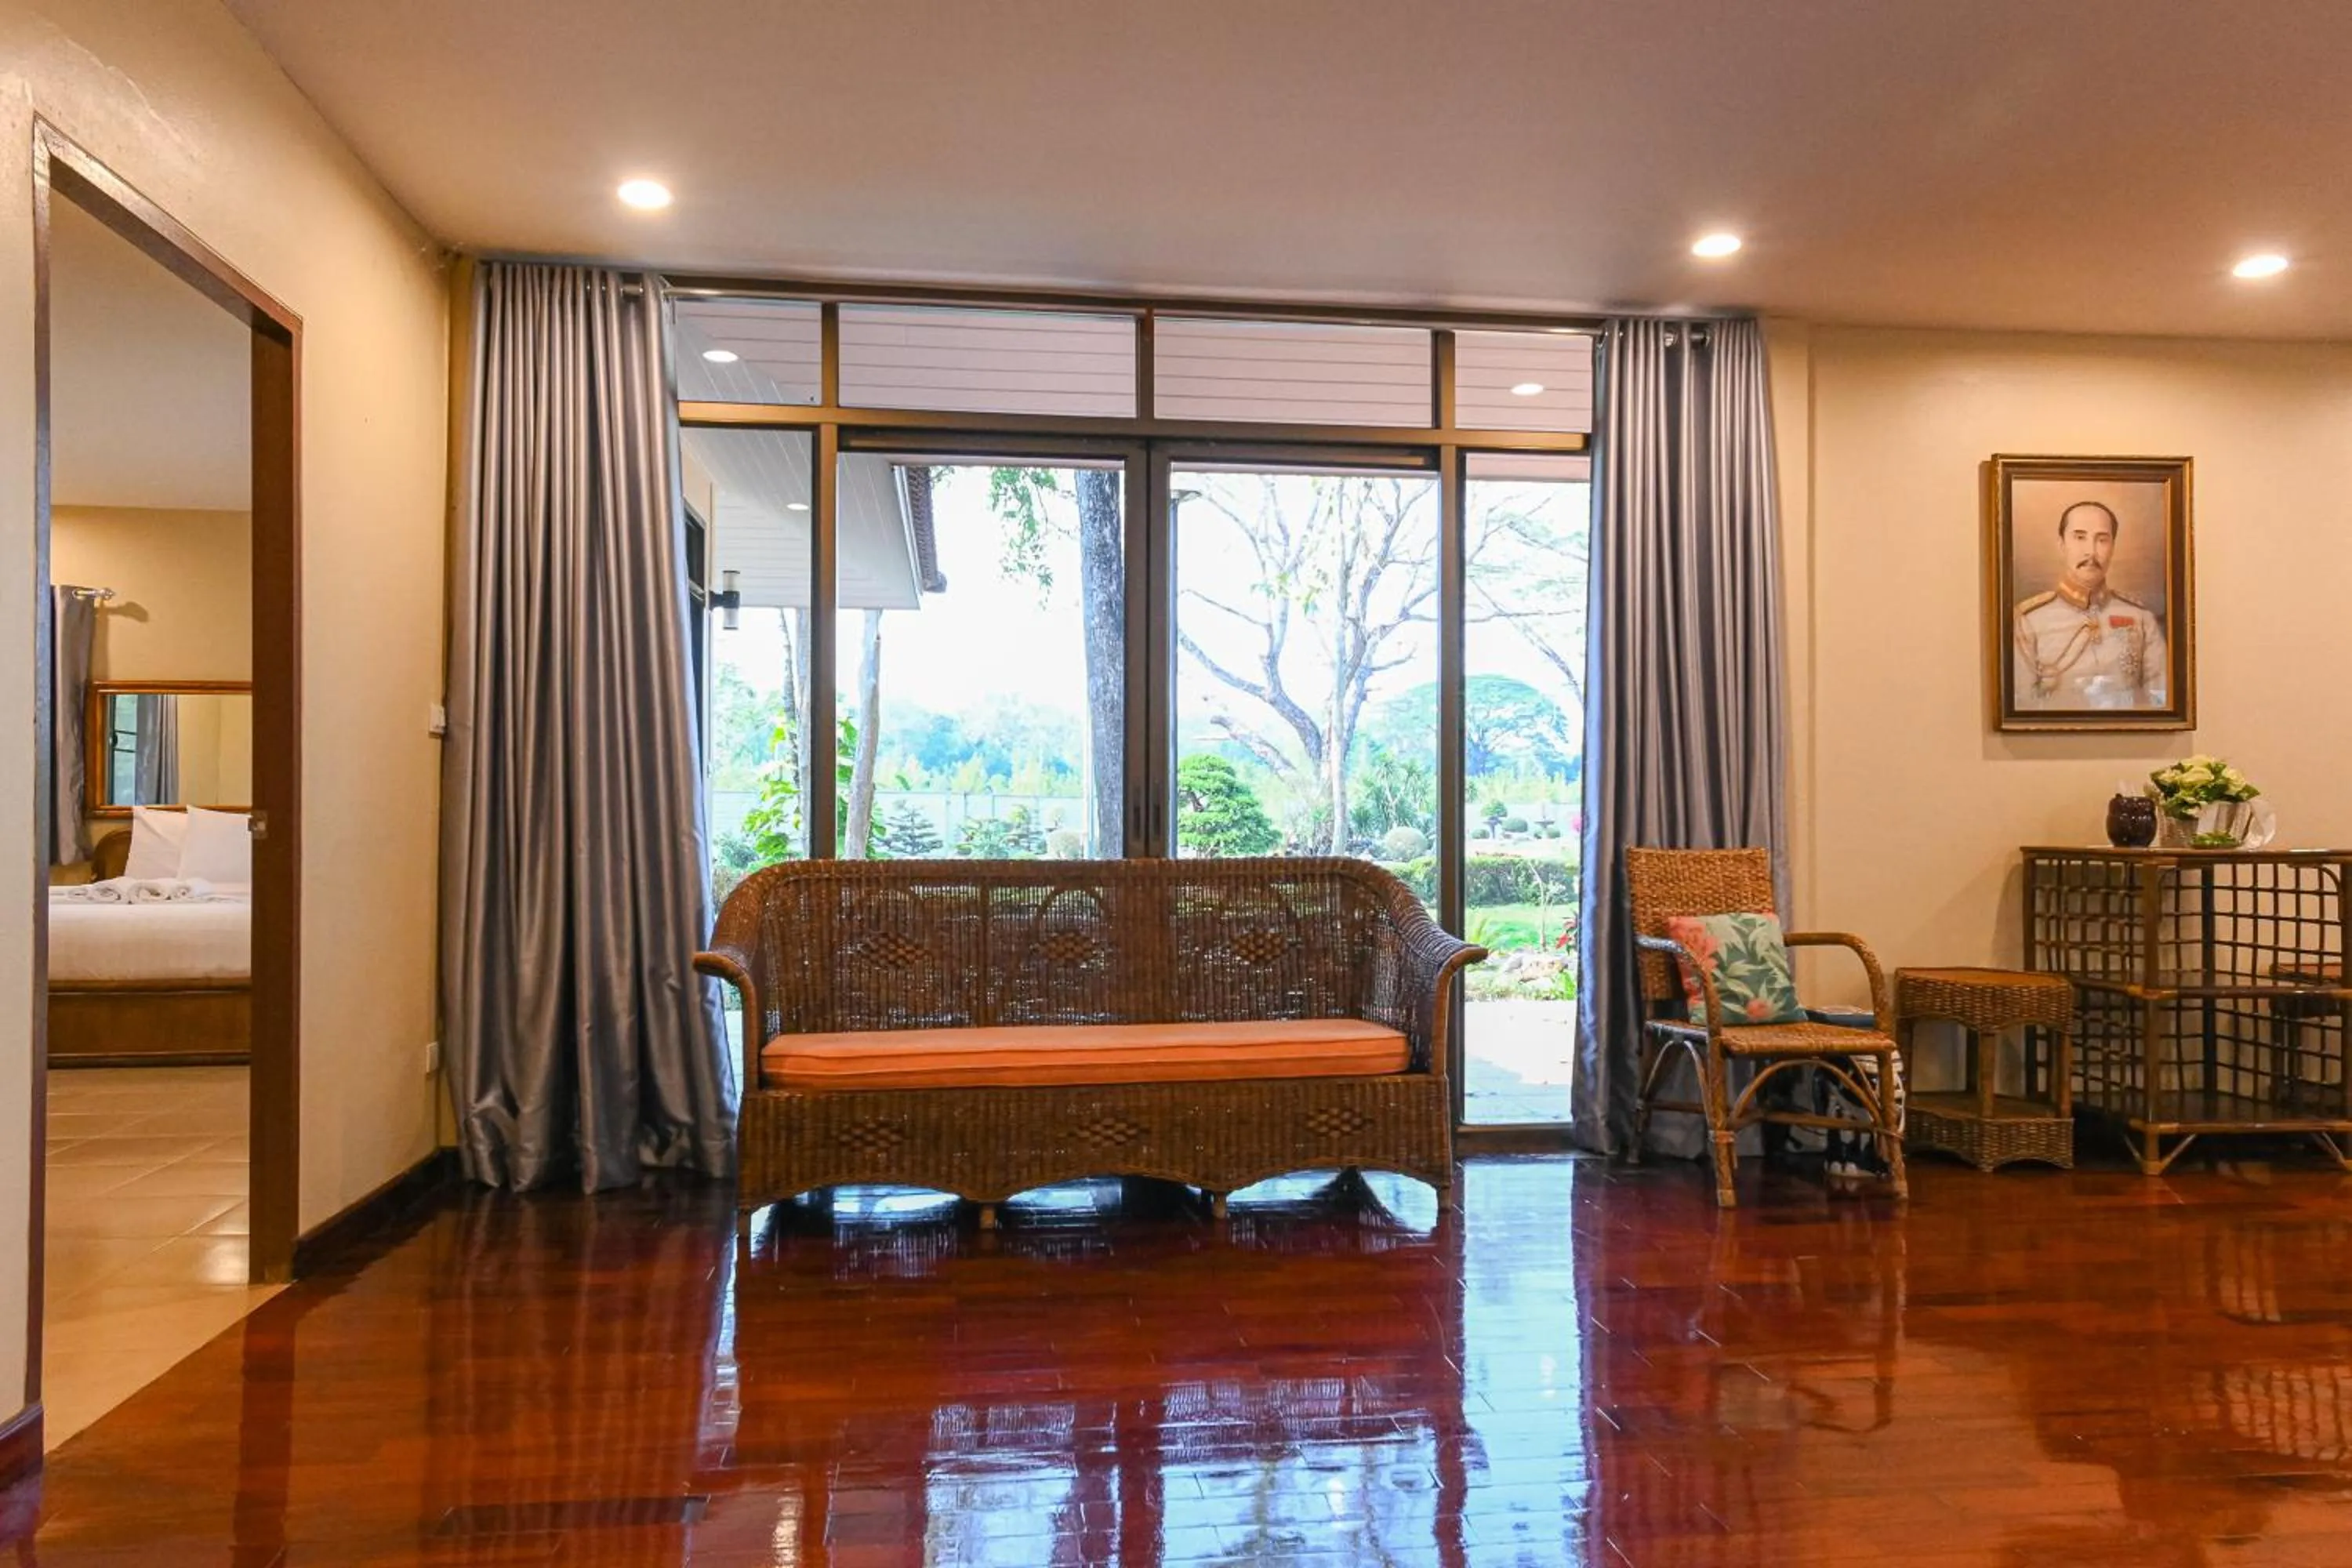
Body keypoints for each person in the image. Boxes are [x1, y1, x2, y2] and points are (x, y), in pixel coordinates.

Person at [2013, 499, 2167, 709]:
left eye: (2102, 540)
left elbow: (2161, 700)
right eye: (2079, 537)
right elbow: (2021, 704)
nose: (2091, 552)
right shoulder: (2029, 620)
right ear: (2061, 544)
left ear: (2113, 546)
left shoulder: (2140, 618)